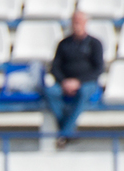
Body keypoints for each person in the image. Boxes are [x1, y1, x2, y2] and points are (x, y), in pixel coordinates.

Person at [44, 11, 104, 149]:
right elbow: (55, 67)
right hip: (64, 83)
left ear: (85, 23)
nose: (76, 25)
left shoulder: (94, 44)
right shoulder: (63, 44)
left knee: (83, 92)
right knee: (50, 92)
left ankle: (64, 133)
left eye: (79, 22)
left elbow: (98, 69)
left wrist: (78, 82)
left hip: (86, 83)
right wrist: (64, 82)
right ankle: (69, 131)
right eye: (74, 22)